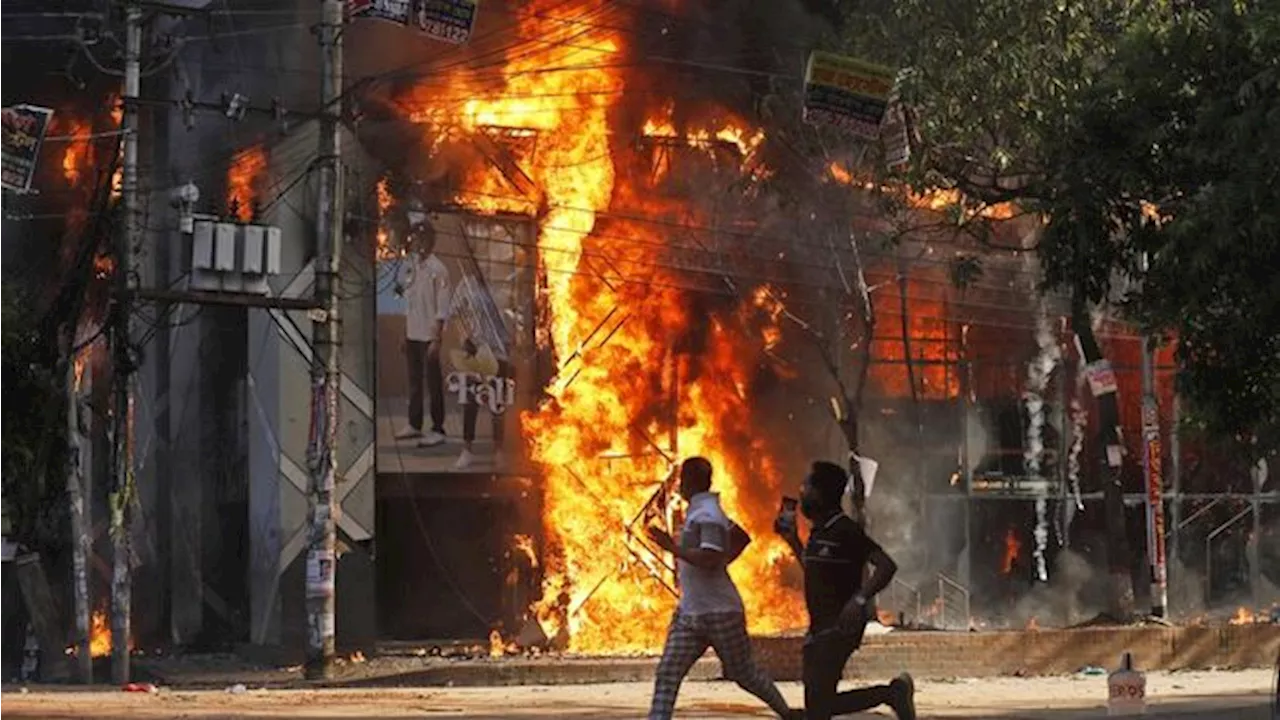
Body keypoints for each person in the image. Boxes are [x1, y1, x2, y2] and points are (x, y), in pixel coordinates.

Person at [645, 457, 799, 720]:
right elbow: (740, 537)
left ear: (690, 482)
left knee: (743, 673)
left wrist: (672, 547)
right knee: (668, 672)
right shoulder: (704, 509)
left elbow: (710, 559)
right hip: (691, 613)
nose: (679, 485)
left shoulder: (707, 515)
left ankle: (787, 713)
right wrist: (722, 560)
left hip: (720, 613)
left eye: (682, 479)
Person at [774, 460, 916, 720]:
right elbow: (816, 571)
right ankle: (892, 693)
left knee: (818, 707)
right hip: (820, 626)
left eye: (806, 486)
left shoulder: (846, 530)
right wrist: (793, 540)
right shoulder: (819, 532)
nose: (801, 491)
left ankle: (891, 694)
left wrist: (859, 600)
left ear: (821, 493)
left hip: (839, 626)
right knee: (820, 705)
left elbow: (886, 566)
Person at [393, 215, 451, 448]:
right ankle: (414, 425)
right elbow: (409, 303)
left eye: (421, 238)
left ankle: (438, 429)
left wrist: (437, 339)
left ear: (430, 240)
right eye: (415, 238)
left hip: (429, 337)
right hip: (413, 334)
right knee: (414, 382)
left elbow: (442, 308)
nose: (417, 242)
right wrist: (404, 333)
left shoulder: (439, 269)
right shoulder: (411, 267)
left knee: (433, 384)